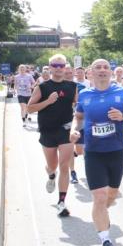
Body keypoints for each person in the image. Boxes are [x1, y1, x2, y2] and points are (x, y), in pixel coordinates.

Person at [70, 59, 123, 246]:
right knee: (99, 197)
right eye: (97, 68)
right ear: (90, 73)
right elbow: (79, 117)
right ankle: (106, 241)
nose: (102, 70)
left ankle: (102, 214)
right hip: (93, 152)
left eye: (105, 67)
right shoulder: (84, 94)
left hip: (116, 151)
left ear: (110, 72)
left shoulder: (121, 93)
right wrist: (75, 129)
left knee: (111, 195)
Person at [26, 54, 78, 217]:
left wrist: (77, 127)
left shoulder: (72, 87)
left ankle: (61, 202)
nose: (58, 68)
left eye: (61, 65)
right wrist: (48, 101)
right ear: (49, 67)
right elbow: (30, 108)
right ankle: (50, 175)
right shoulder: (42, 87)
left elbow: (79, 109)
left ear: (65, 68)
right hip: (47, 131)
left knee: (64, 166)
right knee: (53, 165)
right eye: (55, 65)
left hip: (65, 130)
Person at [70, 65, 90, 184]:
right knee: (70, 145)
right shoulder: (72, 84)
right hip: (71, 117)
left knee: (80, 150)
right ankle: (73, 172)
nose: (80, 74)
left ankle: (74, 152)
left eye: (82, 72)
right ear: (75, 73)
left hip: (84, 117)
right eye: (78, 72)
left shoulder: (89, 83)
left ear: (84, 73)